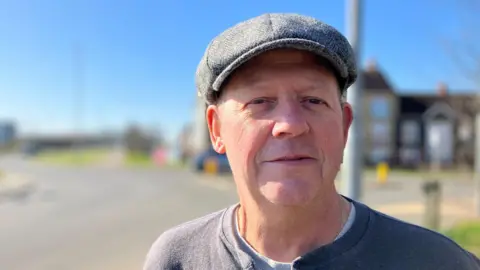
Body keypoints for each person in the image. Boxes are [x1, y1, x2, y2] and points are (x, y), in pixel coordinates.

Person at [144, 13, 480, 270]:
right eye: (260, 101)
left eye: (313, 101)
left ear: (345, 125)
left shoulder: (435, 262)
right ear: (216, 130)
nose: (290, 125)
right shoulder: (178, 259)